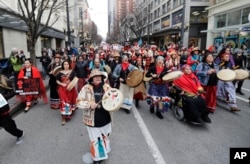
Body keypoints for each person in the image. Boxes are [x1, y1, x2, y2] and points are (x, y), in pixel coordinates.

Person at [77, 69, 112, 164]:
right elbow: (78, 102)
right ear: (91, 79)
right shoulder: (85, 88)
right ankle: (98, 158)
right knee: (96, 139)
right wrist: (89, 104)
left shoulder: (107, 87)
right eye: (95, 76)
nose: (97, 78)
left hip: (105, 118)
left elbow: (113, 99)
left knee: (105, 136)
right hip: (91, 119)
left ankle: (105, 150)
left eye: (99, 76)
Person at [56, 60, 78, 125]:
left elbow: (75, 79)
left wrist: (72, 84)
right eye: (65, 64)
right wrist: (62, 84)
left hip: (71, 89)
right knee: (65, 102)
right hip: (62, 89)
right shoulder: (60, 73)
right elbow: (57, 81)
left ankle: (69, 111)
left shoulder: (72, 72)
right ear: (63, 65)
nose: (66, 65)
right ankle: (64, 117)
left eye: (67, 64)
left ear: (69, 65)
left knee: (70, 101)